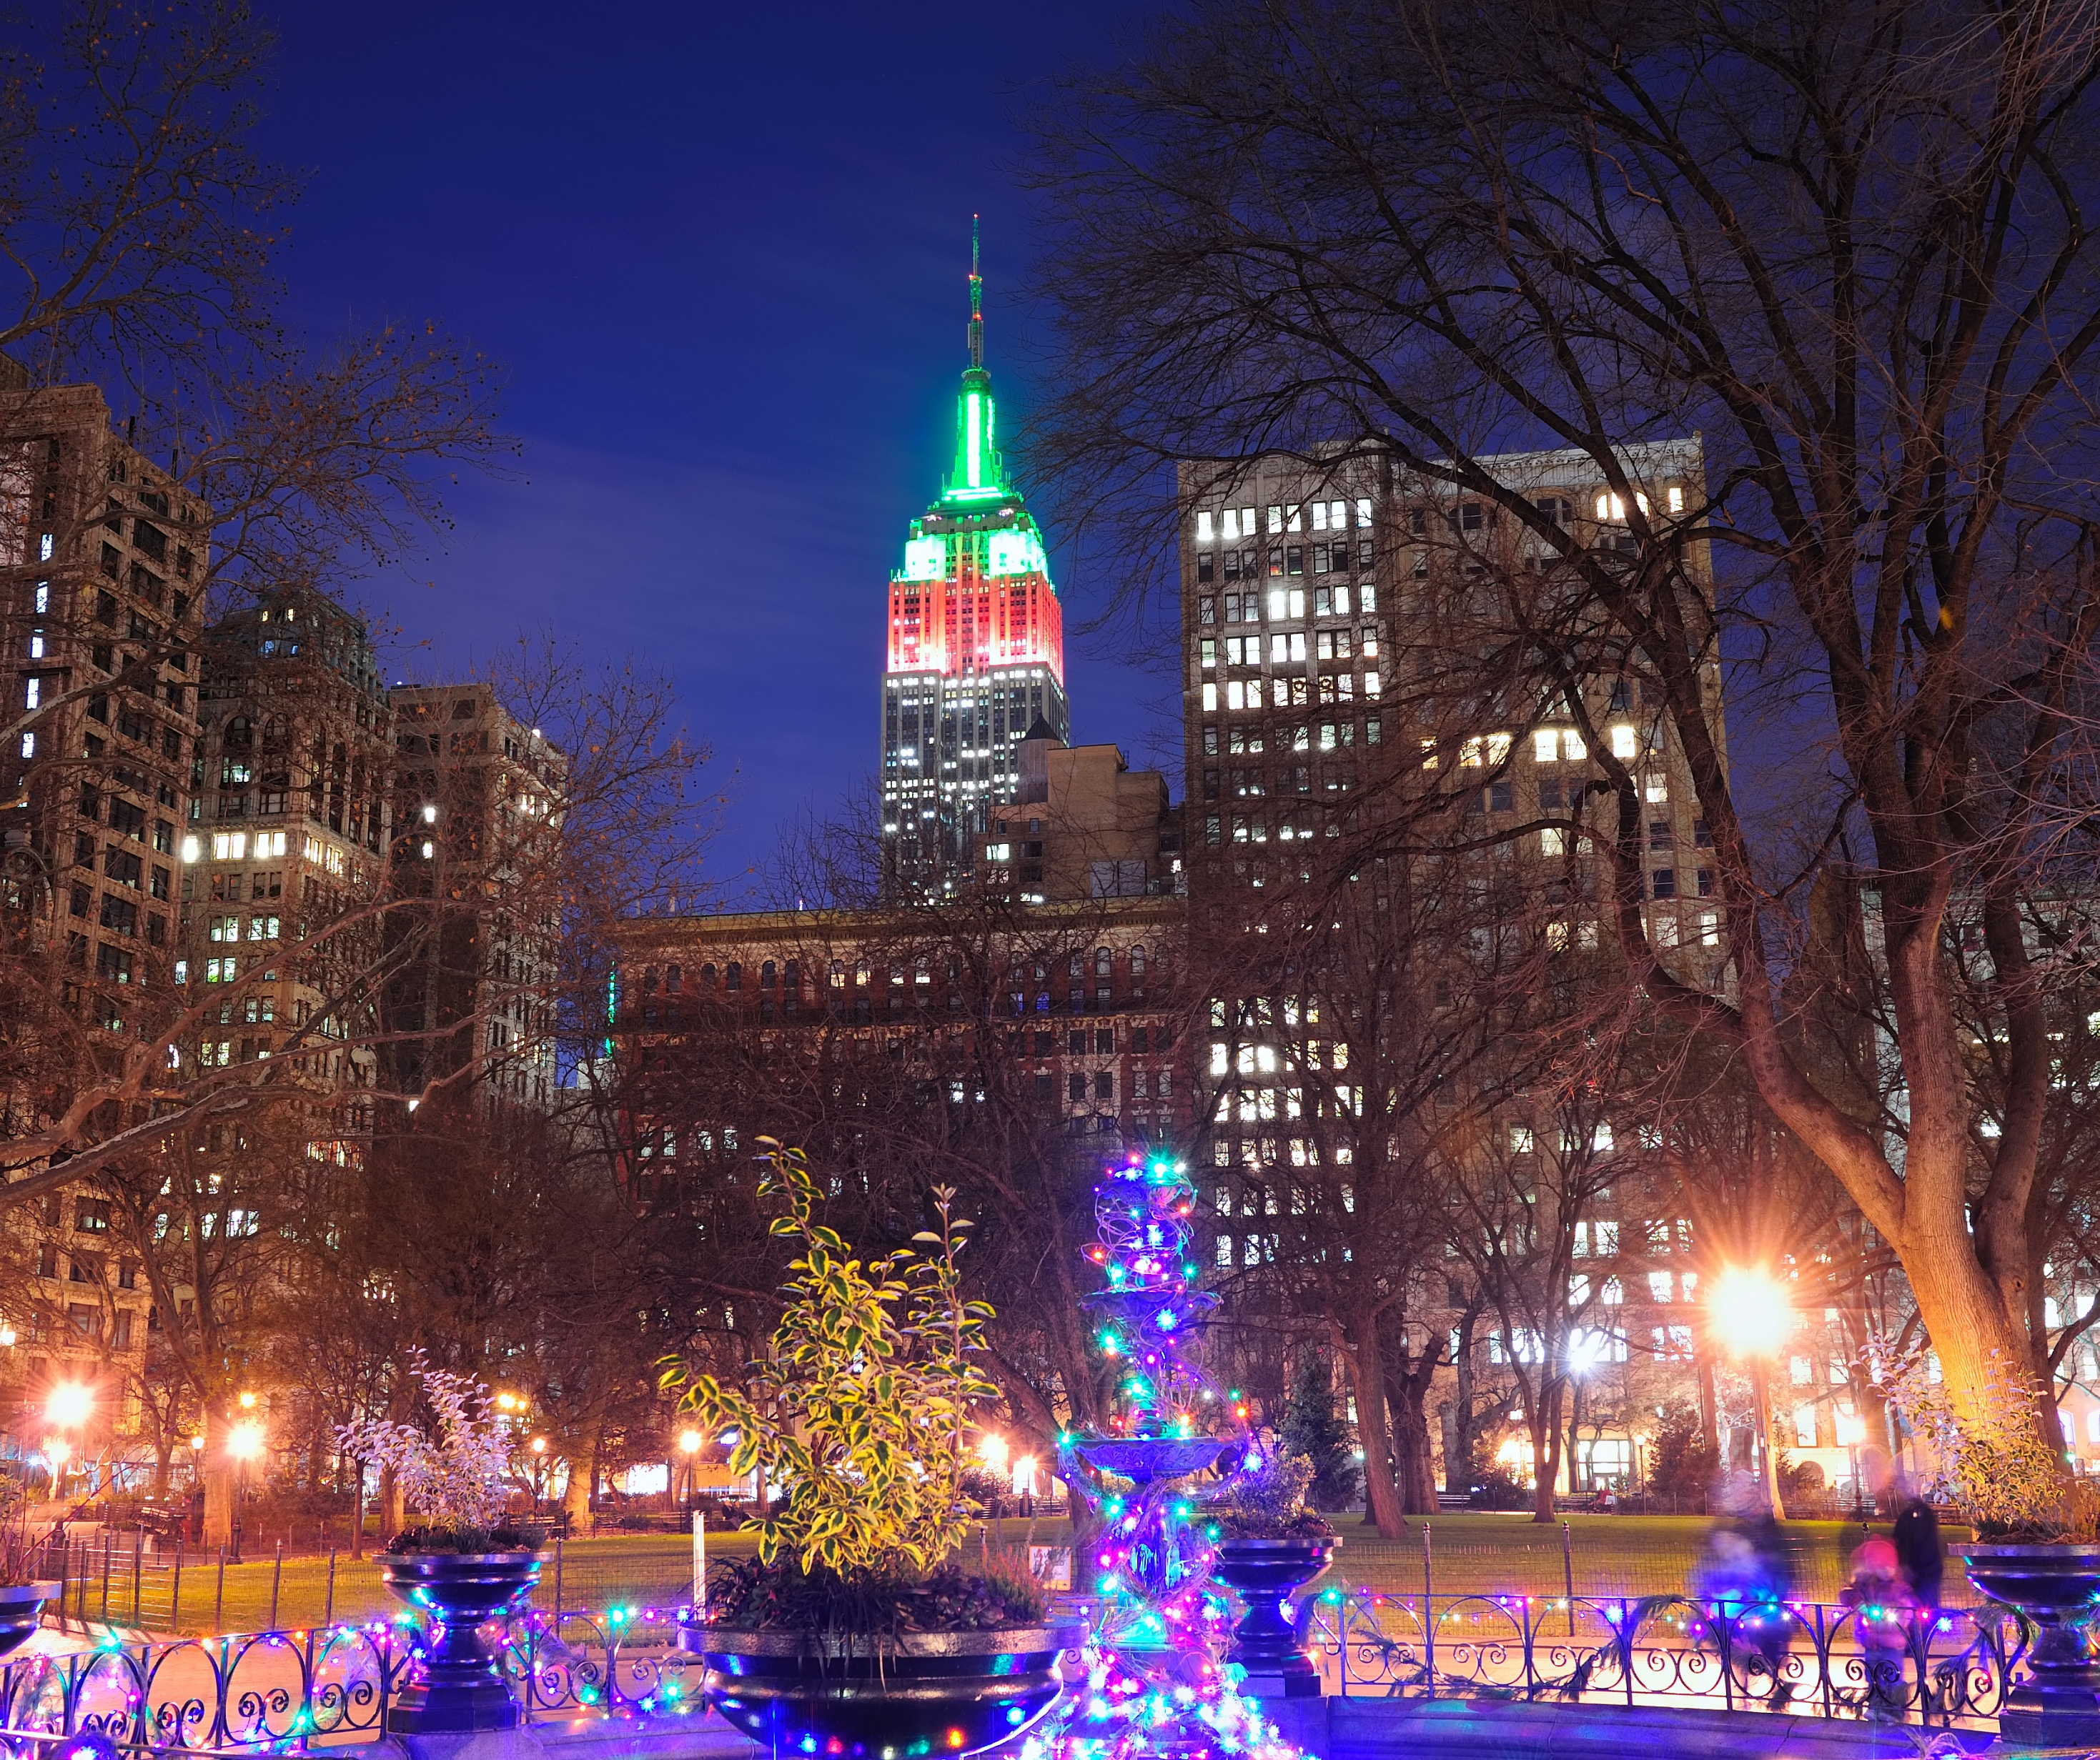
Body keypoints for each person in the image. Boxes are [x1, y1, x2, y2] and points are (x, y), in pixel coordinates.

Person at [1841, 1534, 1915, 1719]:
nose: (1886, 1570)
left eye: (1889, 1566)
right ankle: (1875, 1705)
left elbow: (1906, 1612)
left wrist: (1889, 1617)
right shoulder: (1867, 1586)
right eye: (1880, 1567)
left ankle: (1896, 1710)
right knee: (1872, 1673)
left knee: (1893, 1675)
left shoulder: (1899, 1588)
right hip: (1871, 1640)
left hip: (1892, 1642)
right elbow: (1847, 1595)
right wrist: (1855, 1598)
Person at [1889, 1475, 1943, 1613]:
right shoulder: (1909, 1515)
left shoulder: (1918, 1515)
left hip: (1921, 1576)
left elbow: (1923, 1547)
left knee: (1921, 1614)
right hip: (1917, 1576)